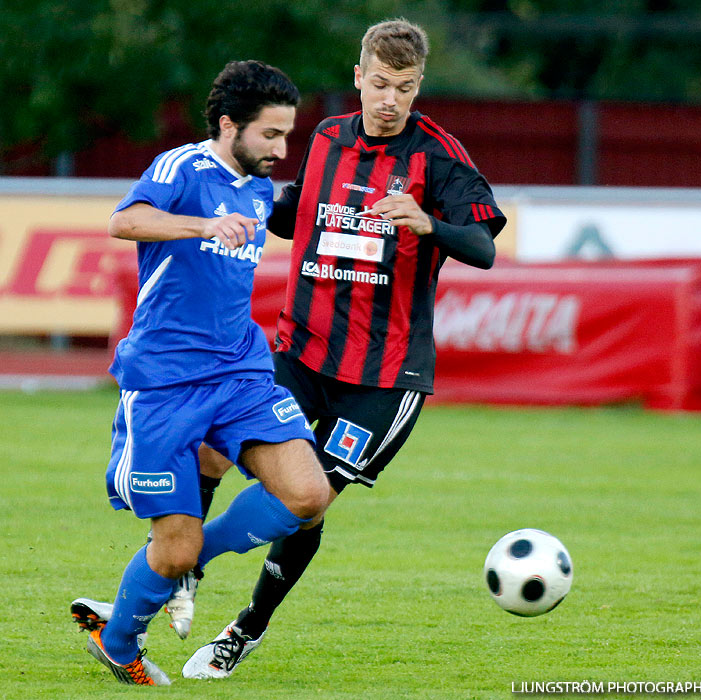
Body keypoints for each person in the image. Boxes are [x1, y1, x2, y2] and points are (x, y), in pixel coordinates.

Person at [73, 18, 507, 681]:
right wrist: (223, 215)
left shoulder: (436, 156)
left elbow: (482, 248)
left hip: (381, 372)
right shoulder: (320, 140)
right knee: (215, 459)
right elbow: (291, 209)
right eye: (381, 84)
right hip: (292, 351)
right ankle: (166, 572)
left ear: (419, 88)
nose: (391, 100)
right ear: (359, 78)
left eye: (407, 88)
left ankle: (232, 617)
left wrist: (429, 222)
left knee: (310, 499)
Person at [69, 59, 329, 686]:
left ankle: (178, 565)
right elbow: (123, 221)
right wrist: (201, 224)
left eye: (287, 135)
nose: (280, 148)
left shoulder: (263, 190)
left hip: (240, 371)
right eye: (270, 134)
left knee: (308, 496)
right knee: (174, 546)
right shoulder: (183, 168)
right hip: (163, 382)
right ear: (228, 124)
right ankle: (120, 638)